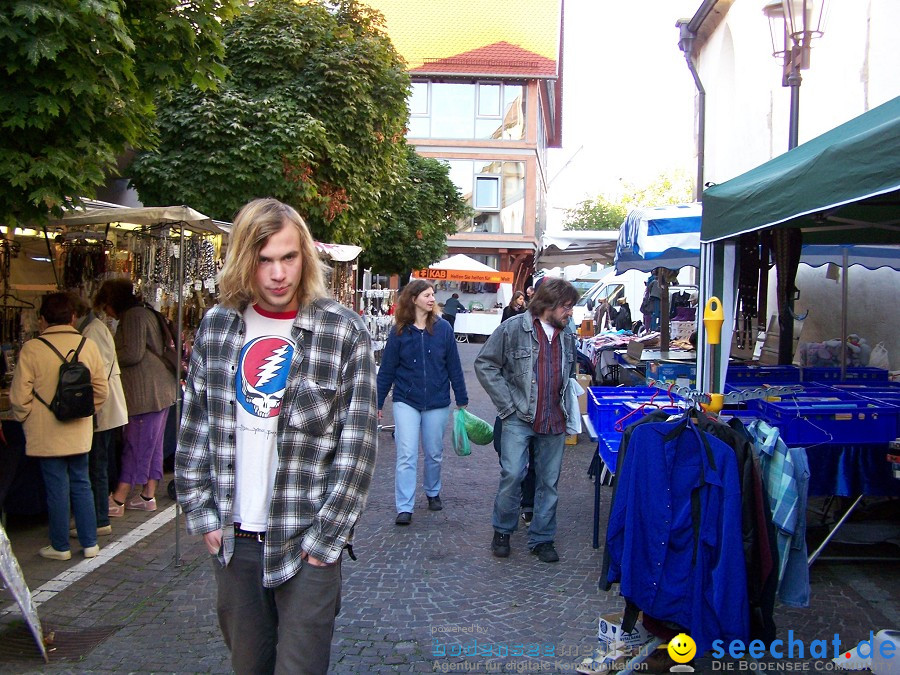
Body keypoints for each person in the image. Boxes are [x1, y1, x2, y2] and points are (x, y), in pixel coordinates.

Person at [176, 198, 377, 675]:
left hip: (305, 534)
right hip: (235, 537)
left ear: (304, 256)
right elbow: (195, 426)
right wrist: (203, 513)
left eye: (288, 257)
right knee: (247, 665)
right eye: (264, 259)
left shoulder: (342, 330)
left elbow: (358, 446)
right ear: (244, 260)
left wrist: (327, 538)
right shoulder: (218, 326)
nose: (278, 273)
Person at [475, 277, 578, 563]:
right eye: (566, 307)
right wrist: (506, 406)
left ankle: (542, 539)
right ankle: (502, 531)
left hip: (554, 418)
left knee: (549, 482)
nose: (570, 313)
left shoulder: (567, 334)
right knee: (513, 475)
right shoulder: (513, 328)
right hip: (519, 418)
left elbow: (569, 371)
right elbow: (485, 364)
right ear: (548, 304)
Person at [10, 292, 109, 560]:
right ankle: (90, 543)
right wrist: (87, 411)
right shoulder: (87, 345)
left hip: (45, 430)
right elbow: (101, 389)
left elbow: (19, 397)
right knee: (81, 482)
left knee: (56, 486)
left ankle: (60, 545)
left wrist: (29, 416)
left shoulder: (32, 348)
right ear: (73, 317)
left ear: (42, 319)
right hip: (79, 428)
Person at [377, 280, 468, 526]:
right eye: (427, 295)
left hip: (437, 399)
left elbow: (453, 366)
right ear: (414, 298)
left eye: (432, 295)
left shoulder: (443, 329)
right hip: (406, 399)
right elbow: (387, 369)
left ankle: (432, 490)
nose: (432, 299)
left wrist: (461, 398)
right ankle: (404, 506)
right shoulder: (399, 331)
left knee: (434, 452)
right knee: (406, 454)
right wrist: (376, 402)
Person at [94, 279, 176, 516]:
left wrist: (104, 358)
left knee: (136, 444)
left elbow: (132, 352)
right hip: (159, 389)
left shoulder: (132, 316)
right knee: (152, 445)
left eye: (106, 305)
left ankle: (119, 499)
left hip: (145, 391)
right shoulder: (145, 312)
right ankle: (147, 496)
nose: (107, 312)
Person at [70, 293, 128, 538]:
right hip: (107, 405)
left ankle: (99, 518)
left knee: (97, 465)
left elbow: (98, 374)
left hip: (102, 408)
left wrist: (91, 404)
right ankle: (98, 516)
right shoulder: (95, 328)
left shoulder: (92, 331)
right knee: (99, 464)